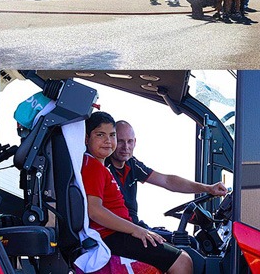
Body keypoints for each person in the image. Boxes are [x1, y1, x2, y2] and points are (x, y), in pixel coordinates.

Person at [81, 112, 193, 273]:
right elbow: (95, 211)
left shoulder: (101, 167)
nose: (107, 141)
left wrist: (207, 188)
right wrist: (137, 230)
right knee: (183, 260)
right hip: (112, 236)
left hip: (118, 233)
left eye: (112, 135)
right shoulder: (93, 168)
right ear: (86, 139)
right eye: (100, 135)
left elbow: (167, 180)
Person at [105, 120, 228, 229]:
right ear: (112, 141)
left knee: (189, 243)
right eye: (120, 141)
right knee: (185, 250)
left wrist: (208, 188)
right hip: (123, 230)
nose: (126, 147)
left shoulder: (132, 164)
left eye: (130, 141)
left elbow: (167, 181)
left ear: (135, 142)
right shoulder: (104, 167)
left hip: (135, 226)